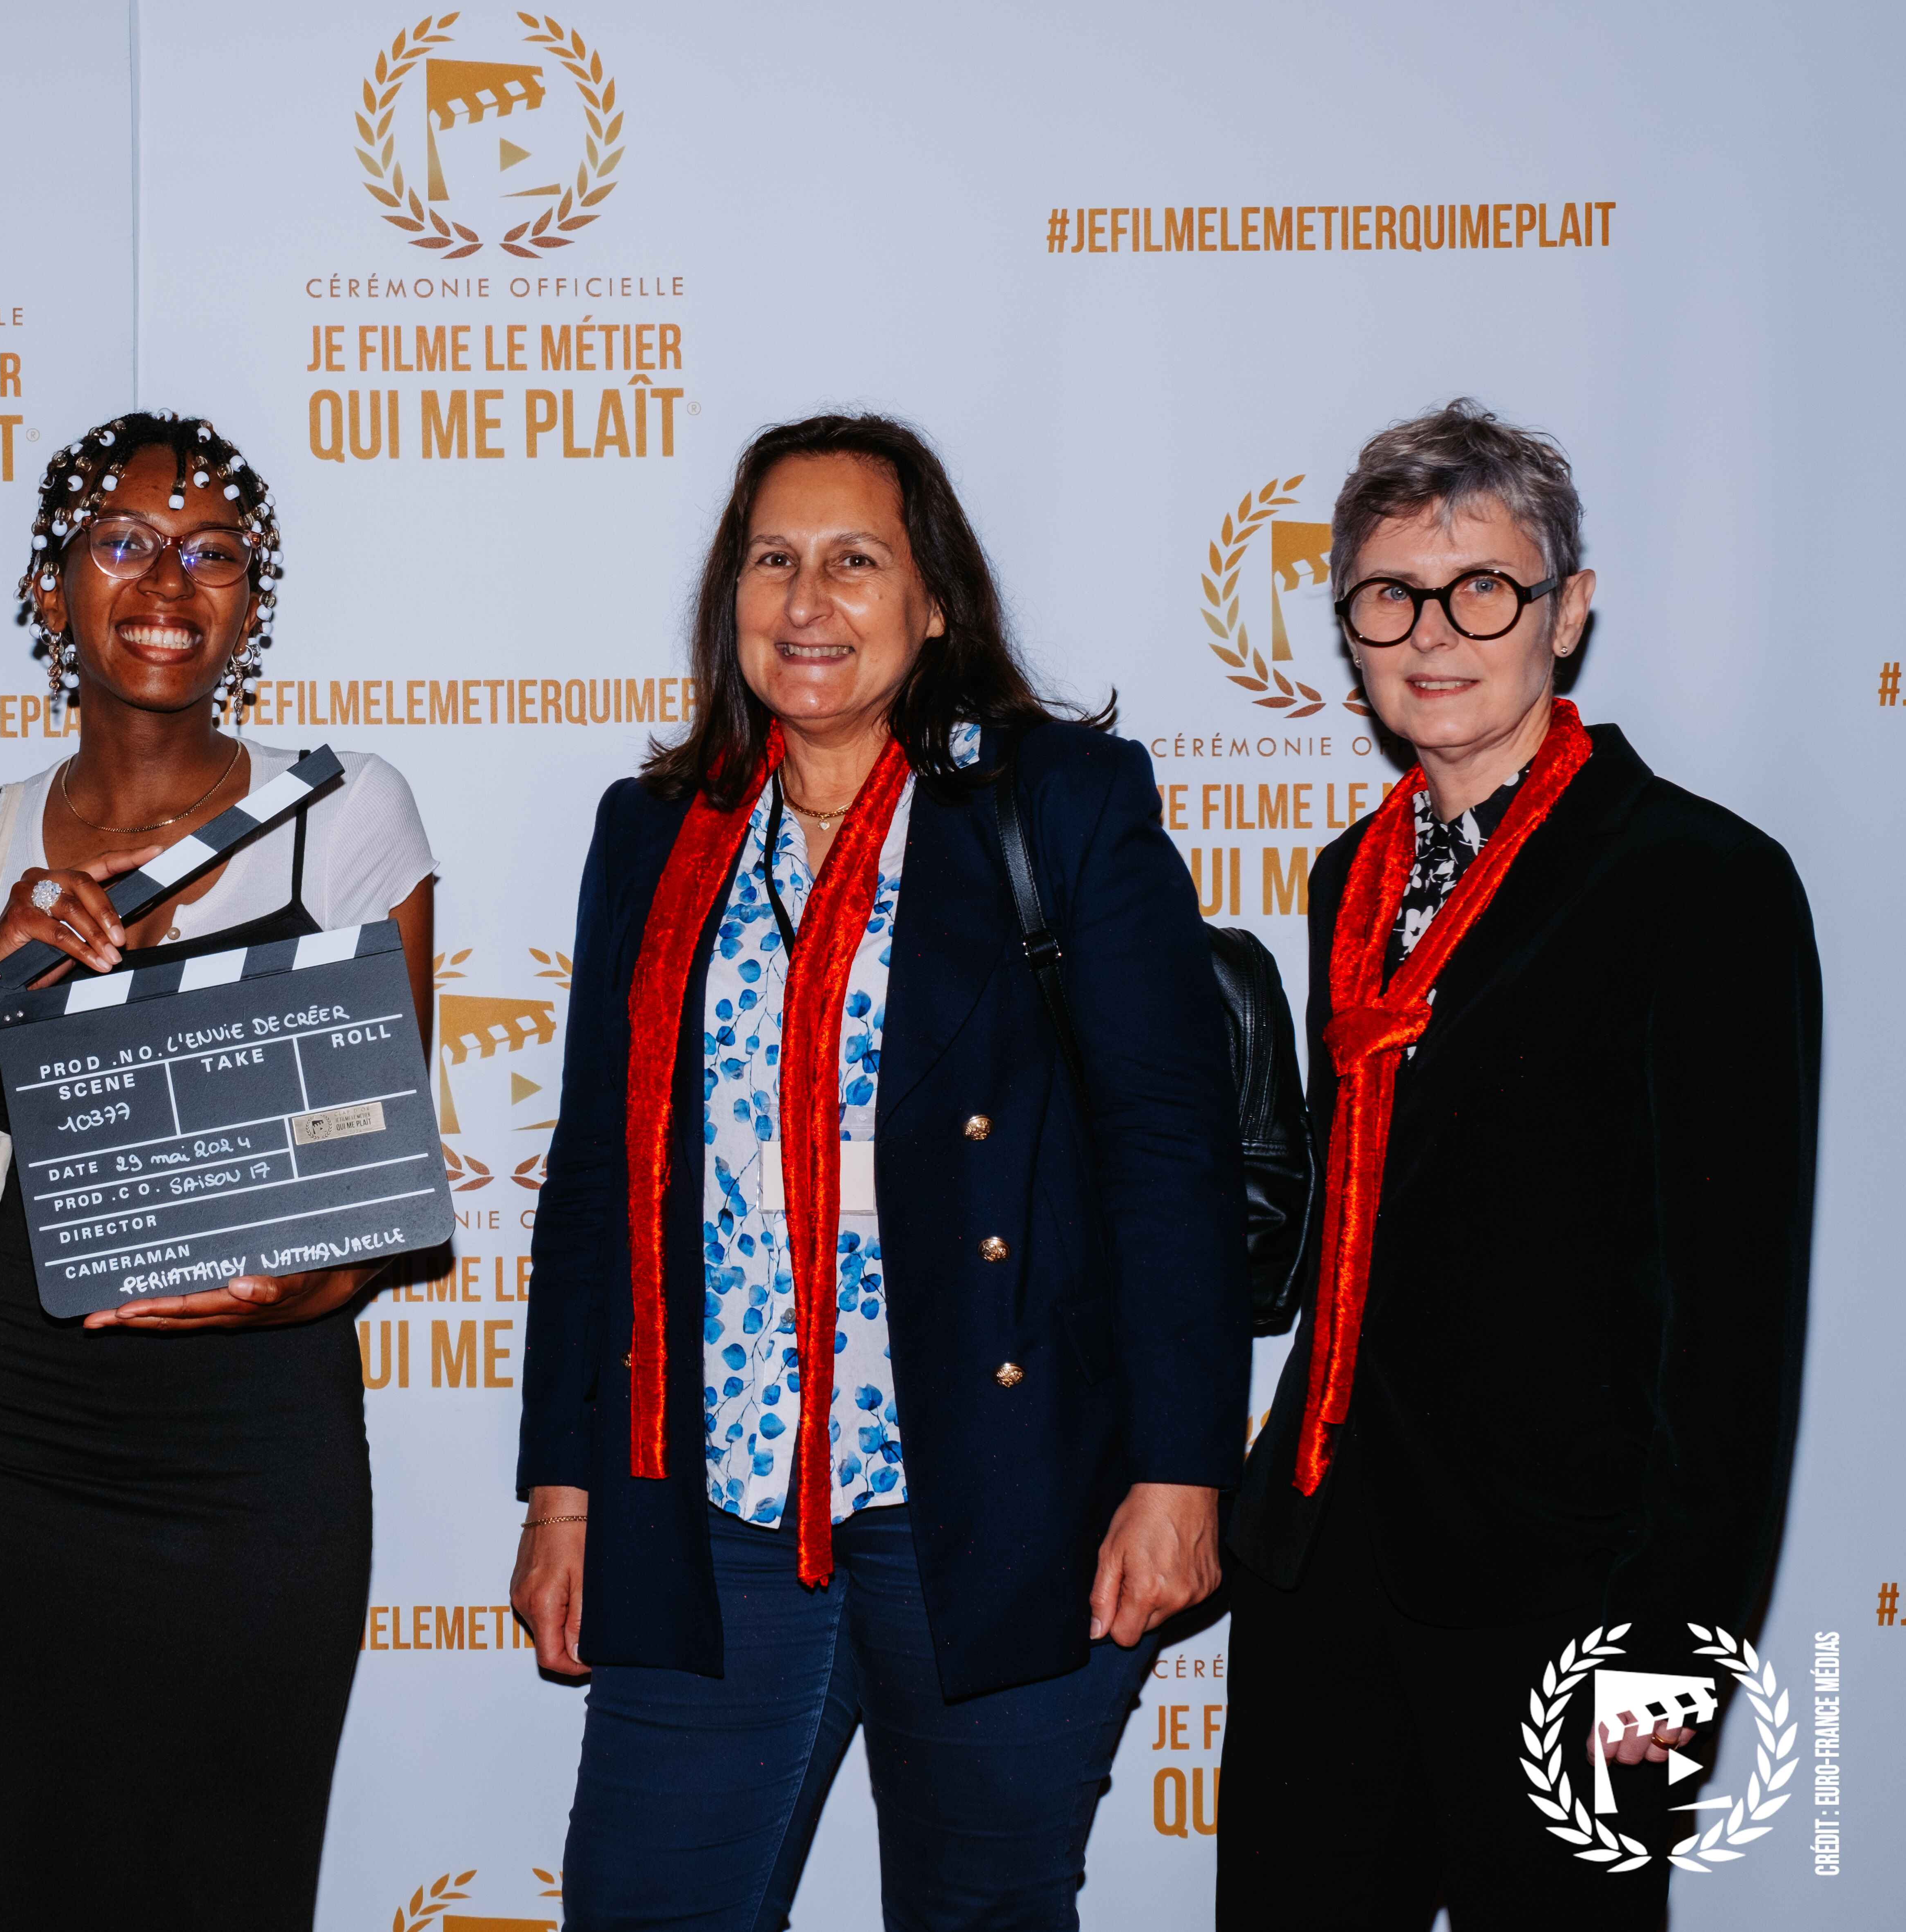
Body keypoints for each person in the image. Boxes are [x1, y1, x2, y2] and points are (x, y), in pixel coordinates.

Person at [510, 412, 1247, 1930]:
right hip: (708, 1496)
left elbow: (1168, 1154)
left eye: (855, 561)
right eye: (771, 560)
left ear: (934, 601)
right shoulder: (656, 832)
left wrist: (1182, 1470)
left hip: (1000, 1486)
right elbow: (596, 1179)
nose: (806, 602)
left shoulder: (1057, 802)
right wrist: (563, 1488)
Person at [1219, 400, 1821, 1930]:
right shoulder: (1348, 878)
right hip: (1321, 1573)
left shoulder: (1703, 883)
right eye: (1389, 594)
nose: (1433, 633)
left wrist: (1661, 1692)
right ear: (1347, 624)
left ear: (1569, 611)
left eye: (1482, 588)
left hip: (1574, 1613)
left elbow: (1734, 1341)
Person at [0, 411, 437, 1928]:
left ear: (251, 600)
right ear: (51, 587)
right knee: (34, 1884)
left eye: (212, 552)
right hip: (21, 1445)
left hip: (260, 1449)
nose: (168, 583)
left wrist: (304, 1291)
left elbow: (376, 1186)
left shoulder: (347, 814)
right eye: (123, 542)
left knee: (240, 1887)